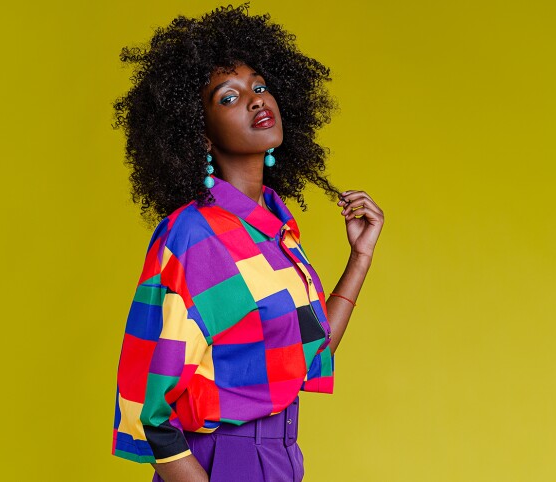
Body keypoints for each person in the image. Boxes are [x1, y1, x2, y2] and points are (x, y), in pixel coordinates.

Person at [111, 5, 384, 481]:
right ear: (200, 134)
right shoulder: (193, 235)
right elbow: (151, 410)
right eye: (229, 97)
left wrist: (360, 258)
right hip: (220, 463)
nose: (257, 100)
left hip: (279, 459)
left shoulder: (275, 231)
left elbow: (306, 354)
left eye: (259, 87)